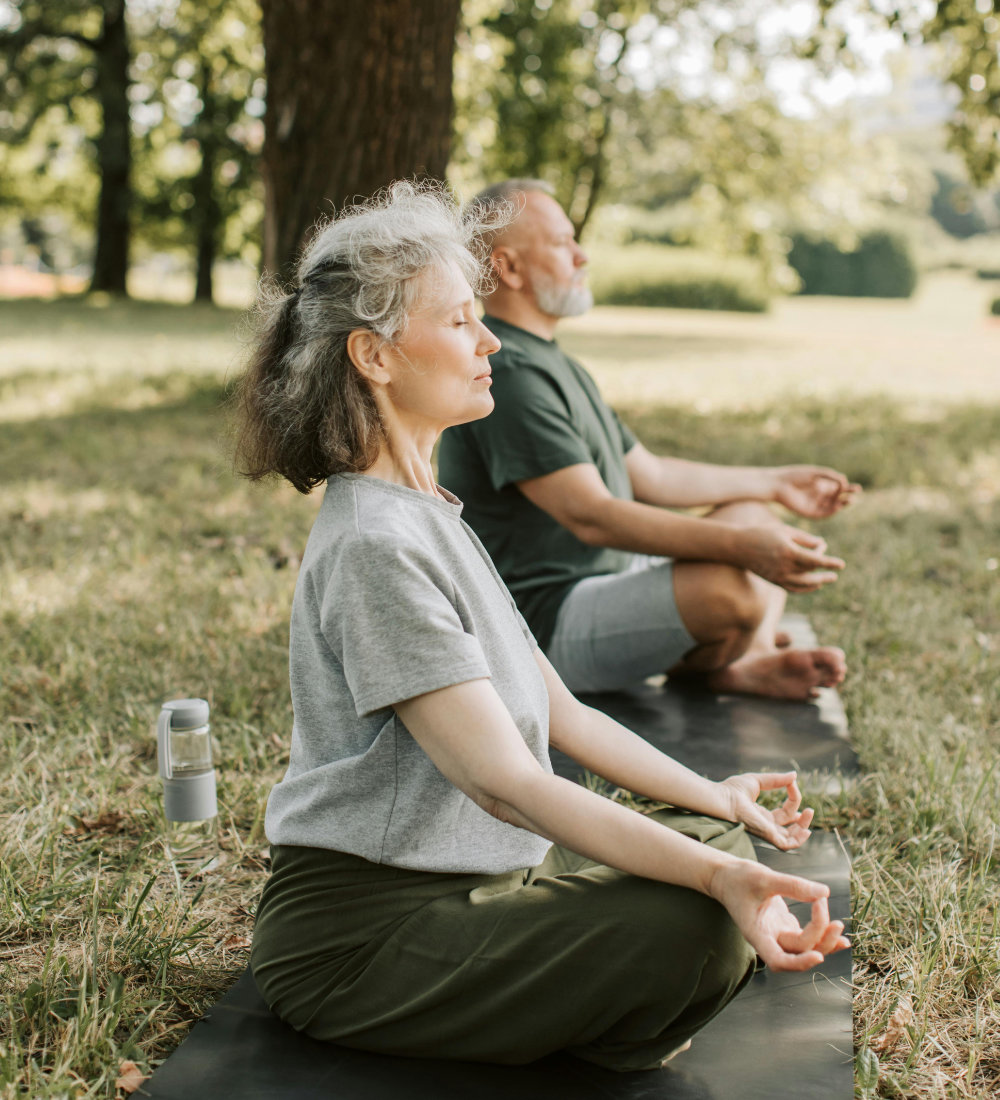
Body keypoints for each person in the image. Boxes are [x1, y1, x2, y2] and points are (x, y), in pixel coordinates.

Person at [236, 182, 848, 1073]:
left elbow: (567, 715)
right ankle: (595, 1006)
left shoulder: (429, 513)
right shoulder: (375, 544)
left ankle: (588, 987)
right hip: (364, 938)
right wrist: (717, 880)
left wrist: (717, 800)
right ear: (373, 355)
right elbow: (507, 784)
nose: (489, 342)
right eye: (458, 322)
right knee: (699, 920)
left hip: (485, 879)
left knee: (715, 840)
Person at [438, 179, 861, 700]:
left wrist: (775, 483)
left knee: (754, 515)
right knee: (734, 587)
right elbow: (591, 516)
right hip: (542, 624)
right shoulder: (511, 373)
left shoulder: (553, 361)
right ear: (509, 268)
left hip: (608, 579)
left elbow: (652, 475)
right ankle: (731, 657)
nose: (581, 255)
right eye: (562, 243)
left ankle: (742, 663)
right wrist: (742, 548)